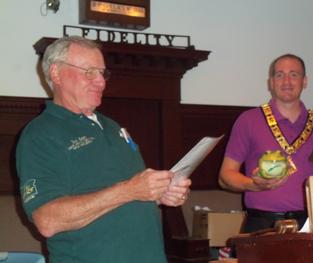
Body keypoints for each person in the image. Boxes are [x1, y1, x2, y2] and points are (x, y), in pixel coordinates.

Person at [16, 36, 191, 263]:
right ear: (56, 73)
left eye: (102, 73)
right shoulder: (40, 134)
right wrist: (129, 190)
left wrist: (159, 193)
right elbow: (47, 220)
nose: (100, 81)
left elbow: (126, 195)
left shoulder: (113, 127)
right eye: (89, 71)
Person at [219, 54, 313, 233]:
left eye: (294, 74)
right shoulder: (248, 120)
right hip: (262, 225)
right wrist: (254, 184)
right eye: (280, 75)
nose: (287, 81)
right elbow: (225, 177)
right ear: (271, 82)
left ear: (305, 81)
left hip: (310, 226)